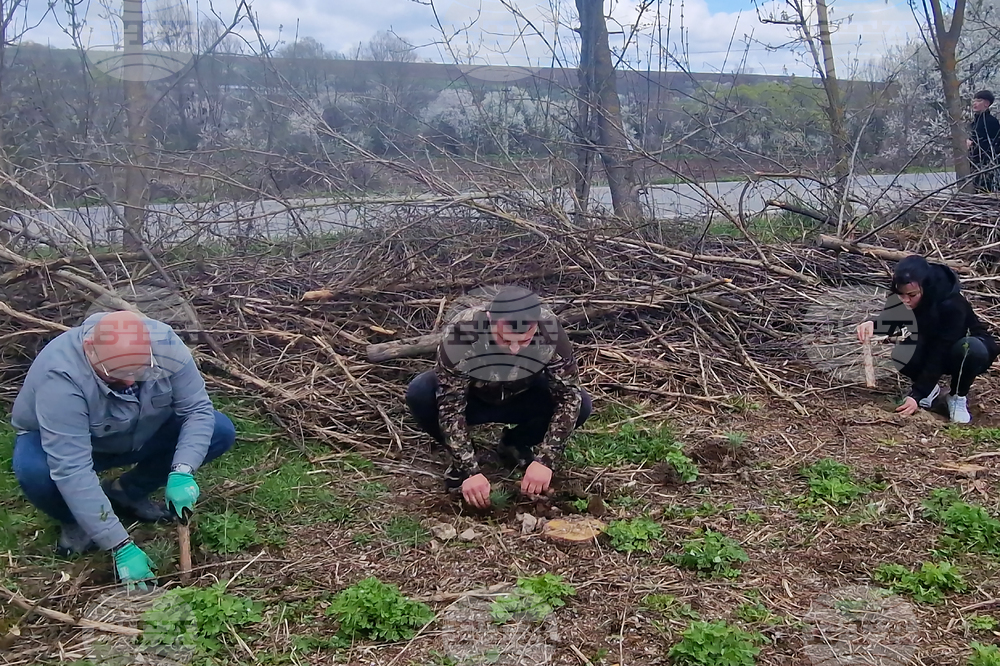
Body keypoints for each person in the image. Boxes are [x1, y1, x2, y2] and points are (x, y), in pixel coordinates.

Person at [11, 310, 236, 588]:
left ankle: (126, 493)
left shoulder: (164, 344)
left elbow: (198, 410)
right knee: (35, 471)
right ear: (89, 350)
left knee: (218, 429)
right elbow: (72, 467)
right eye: (117, 373)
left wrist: (183, 469)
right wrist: (120, 545)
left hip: (142, 430)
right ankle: (76, 520)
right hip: (78, 443)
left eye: (137, 371)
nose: (130, 381)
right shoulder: (60, 377)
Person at [405, 286, 592, 509]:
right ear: (491, 319)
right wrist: (469, 470)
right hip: (473, 400)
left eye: (523, 342)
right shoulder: (462, 331)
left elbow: (568, 396)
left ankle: (515, 443)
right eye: (505, 339)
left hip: (522, 397)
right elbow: (450, 405)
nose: (514, 349)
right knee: (420, 392)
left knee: (582, 404)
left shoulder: (549, 328)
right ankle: (463, 454)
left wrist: (546, 461)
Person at [856, 255, 999, 424]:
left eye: (911, 295)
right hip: (931, 344)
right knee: (903, 353)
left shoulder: (952, 305)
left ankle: (957, 396)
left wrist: (916, 394)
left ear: (926, 287)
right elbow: (897, 316)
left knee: (970, 348)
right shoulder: (908, 297)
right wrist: (873, 324)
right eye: (901, 294)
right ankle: (931, 391)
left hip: (962, 348)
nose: (905, 300)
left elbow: (940, 351)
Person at [967, 90, 1000, 193]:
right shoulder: (973, 123)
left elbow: (994, 144)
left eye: (979, 100)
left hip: (987, 165)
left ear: (986, 103)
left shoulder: (991, 122)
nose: (974, 103)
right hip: (973, 163)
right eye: (974, 101)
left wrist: (972, 143)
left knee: (985, 191)